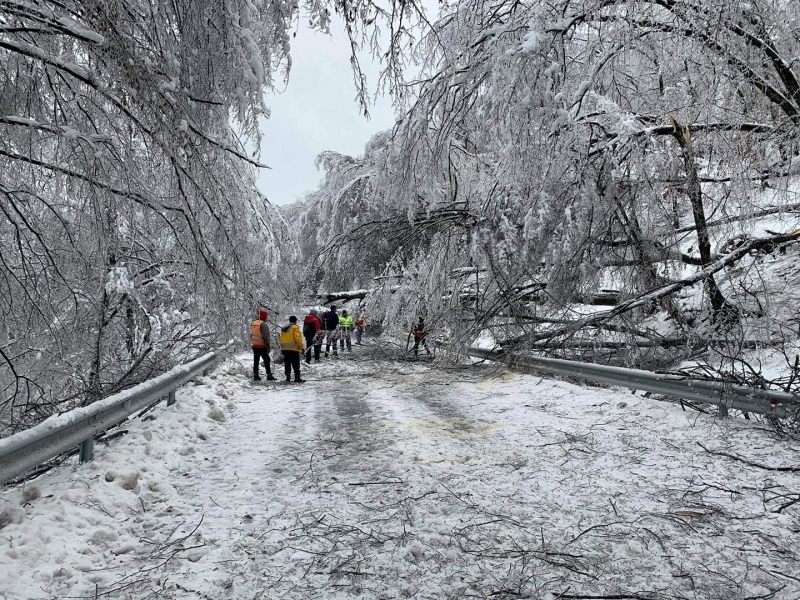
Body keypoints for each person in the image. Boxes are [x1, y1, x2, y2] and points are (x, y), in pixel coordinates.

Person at [251, 309, 276, 381]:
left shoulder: (254, 323)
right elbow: (265, 336)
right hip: (262, 346)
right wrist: (267, 344)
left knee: (256, 361)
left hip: (255, 345)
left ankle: (256, 375)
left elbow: (251, 334)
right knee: (267, 360)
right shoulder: (263, 324)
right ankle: (269, 375)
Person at [279, 316, 305, 383]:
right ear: (295, 321)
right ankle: (297, 378)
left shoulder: (284, 328)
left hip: (285, 349)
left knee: (287, 363)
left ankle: (288, 377)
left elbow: (281, 338)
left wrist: (282, 348)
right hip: (293, 349)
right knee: (295, 364)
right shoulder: (295, 327)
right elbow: (297, 339)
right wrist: (302, 347)